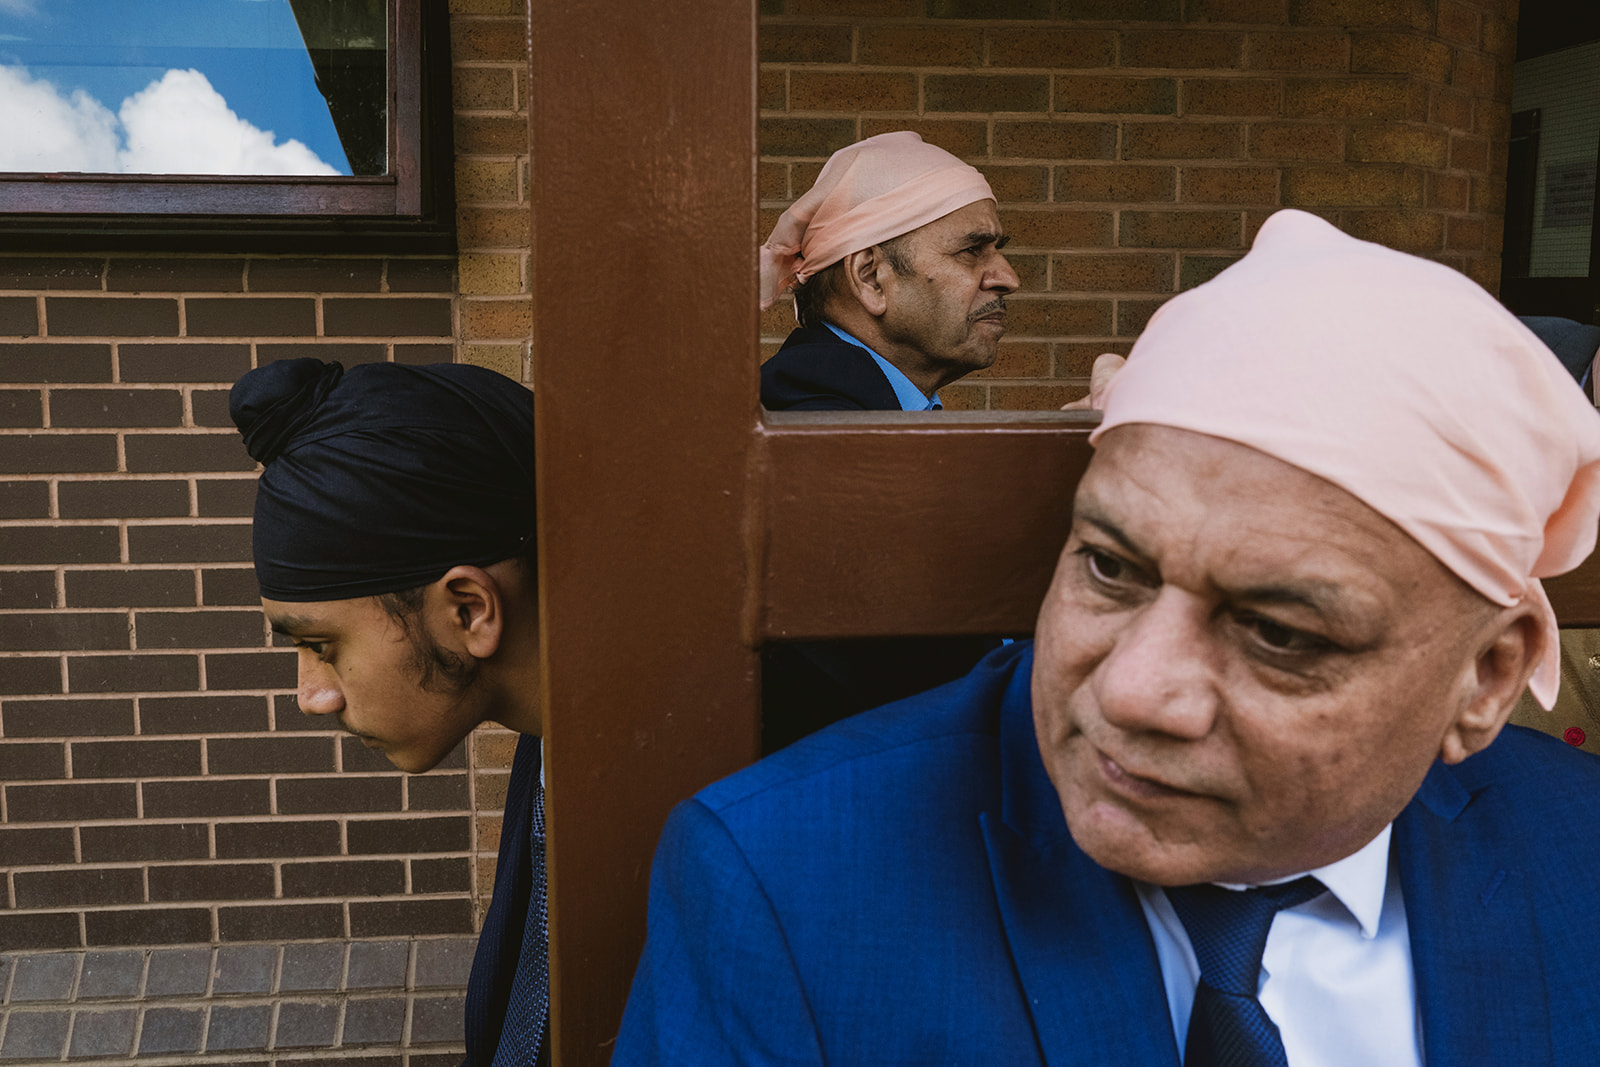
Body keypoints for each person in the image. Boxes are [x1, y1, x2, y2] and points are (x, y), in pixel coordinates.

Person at [614, 210, 1600, 1064]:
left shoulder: (1576, 855)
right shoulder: (792, 884)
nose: (1131, 690)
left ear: (1485, 675)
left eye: (1276, 631)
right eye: (1110, 568)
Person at [228, 359, 548, 1066]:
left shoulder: (702, 816)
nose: (312, 695)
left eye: (322, 645)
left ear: (468, 608)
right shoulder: (556, 760)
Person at [758, 130, 1020, 412]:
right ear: (870, 277)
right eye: (971, 251)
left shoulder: (848, 407)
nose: (1009, 279)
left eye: (997, 250)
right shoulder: (816, 421)